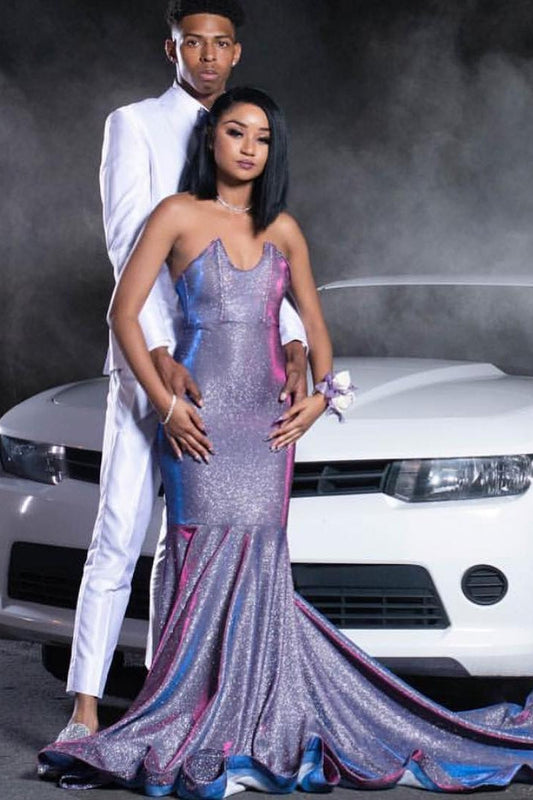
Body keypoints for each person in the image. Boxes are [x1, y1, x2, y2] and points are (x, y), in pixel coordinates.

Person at [40, 86, 533, 796]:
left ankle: (253, 718)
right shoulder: (175, 214)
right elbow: (124, 315)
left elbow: (317, 333)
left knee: (261, 558)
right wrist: (165, 405)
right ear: (211, 139)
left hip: (266, 426)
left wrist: (318, 401)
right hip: (201, 414)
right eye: (235, 132)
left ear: (273, 151)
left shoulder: (284, 230)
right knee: (195, 551)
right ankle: (188, 709)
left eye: (262, 137)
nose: (248, 147)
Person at [61, 0, 308, 741]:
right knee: (119, 529)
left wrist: (294, 340)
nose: (207, 56)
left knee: (191, 541)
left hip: (236, 375)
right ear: (170, 48)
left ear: (235, 52)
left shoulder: (246, 129)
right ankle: (83, 711)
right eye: (192, 43)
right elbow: (126, 244)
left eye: (220, 44)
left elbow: (261, 258)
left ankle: (176, 702)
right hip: (152, 361)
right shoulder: (133, 124)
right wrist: (163, 355)